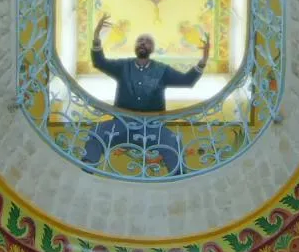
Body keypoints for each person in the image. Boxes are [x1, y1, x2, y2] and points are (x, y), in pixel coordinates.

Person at [79, 13, 209, 176]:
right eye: (140, 40)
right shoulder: (123, 66)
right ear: (135, 46)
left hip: (152, 127)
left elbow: (187, 81)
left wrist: (203, 60)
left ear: (152, 49)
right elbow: (100, 62)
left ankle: (178, 178)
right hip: (122, 123)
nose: (143, 42)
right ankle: (86, 171)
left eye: (147, 41)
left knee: (172, 141)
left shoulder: (162, 70)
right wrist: (96, 38)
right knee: (97, 132)